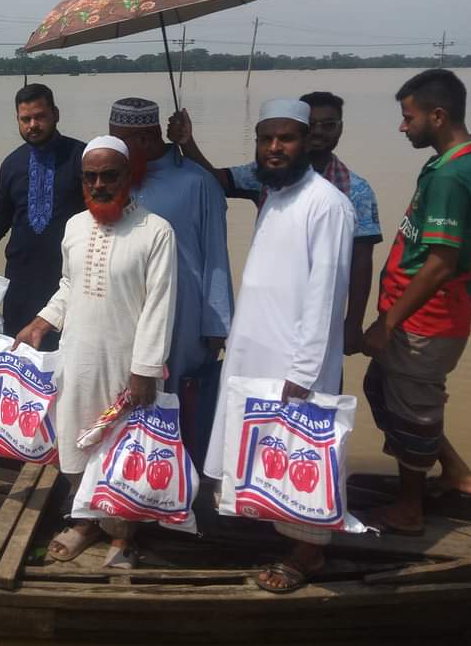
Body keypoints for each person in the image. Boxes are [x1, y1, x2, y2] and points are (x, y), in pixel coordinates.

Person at [203, 99, 354, 593]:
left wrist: (304, 371)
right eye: (265, 139)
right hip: (254, 348)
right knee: (262, 451)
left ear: (307, 141)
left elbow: (326, 297)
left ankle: (308, 553)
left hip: (296, 362)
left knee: (301, 455)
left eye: (285, 138)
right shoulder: (276, 196)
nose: (274, 148)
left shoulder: (328, 204)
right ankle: (269, 529)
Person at [14, 136, 177, 567]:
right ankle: (86, 522)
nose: (100, 184)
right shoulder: (74, 227)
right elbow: (69, 285)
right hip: (78, 358)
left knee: (123, 454)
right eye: (91, 177)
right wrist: (42, 320)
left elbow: (160, 306)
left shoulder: (156, 231)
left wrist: (144, 370)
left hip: (126, 369)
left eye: (110, 175)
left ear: (129, 177)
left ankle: (122, 537)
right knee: (74, 444)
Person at [169, 91, 381, 355]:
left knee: (313, 385)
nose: (319, 133)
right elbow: (215, 181)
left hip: (317, 314)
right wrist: (187, 142)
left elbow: (361, 263)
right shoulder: (267, 174)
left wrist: (353, 323)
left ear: (340, 129)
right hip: (265, 310)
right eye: (313, 125)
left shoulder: (353, 190)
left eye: (329, 125)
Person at [362, 69, 471, 534]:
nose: (402, 126)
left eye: (409, 118)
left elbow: (440, 264)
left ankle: (409, 509)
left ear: (438, 115)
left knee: (413, 410)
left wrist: (387, 322)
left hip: (425, 321)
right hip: (421, 315)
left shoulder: (452, 174)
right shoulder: (448, 163)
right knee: (381, 390)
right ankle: (454, 470)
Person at [108, 97, 233, 465]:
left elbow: (216, 257)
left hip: (183, 314)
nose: (116, 150)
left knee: (176, 399)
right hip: (127, 309)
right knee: (124, 395)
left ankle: (176, 482)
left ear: (146, 139)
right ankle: (126, 476)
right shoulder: (116, 182)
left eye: (123, 141)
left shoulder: (197, 183)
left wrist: (216, 323)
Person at [0, 83, 85, 350]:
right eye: (25, 119)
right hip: (21, 278)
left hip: (67, 276)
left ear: (56, 114)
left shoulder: (80, 157)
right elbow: (2, 212)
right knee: (21, 353)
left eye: (40, 116)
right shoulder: (11, 163)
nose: (33, 125)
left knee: (67, 353)